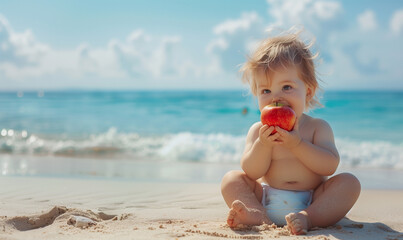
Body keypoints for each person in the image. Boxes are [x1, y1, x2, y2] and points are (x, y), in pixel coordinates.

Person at [221, 30, 361, 235]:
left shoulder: (317, 127)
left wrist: (297, 144)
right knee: (231, 179)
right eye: (266, 91)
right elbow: (252, 172)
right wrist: (263, 145)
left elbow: (329, 166)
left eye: (286, 87)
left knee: (350, 183)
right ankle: (258, 214)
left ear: (309, 91)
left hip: (313, 199)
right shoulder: (259, 130)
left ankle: (308, 218)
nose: (275, 97)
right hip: (266, 197)